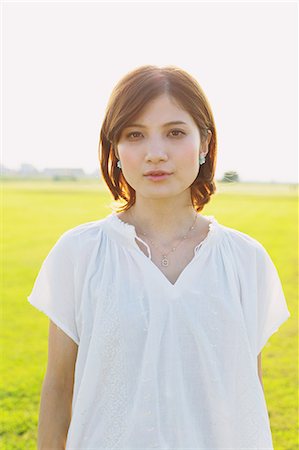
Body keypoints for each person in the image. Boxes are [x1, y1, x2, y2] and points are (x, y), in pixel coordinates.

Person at [27, 65, 291, 450]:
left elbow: (245, 393)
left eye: (175, 132)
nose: (155, 153)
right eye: (135, 134)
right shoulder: (79, 253)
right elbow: (58, 389)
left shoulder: (246, 260)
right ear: (114, 148)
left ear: (204, 144)